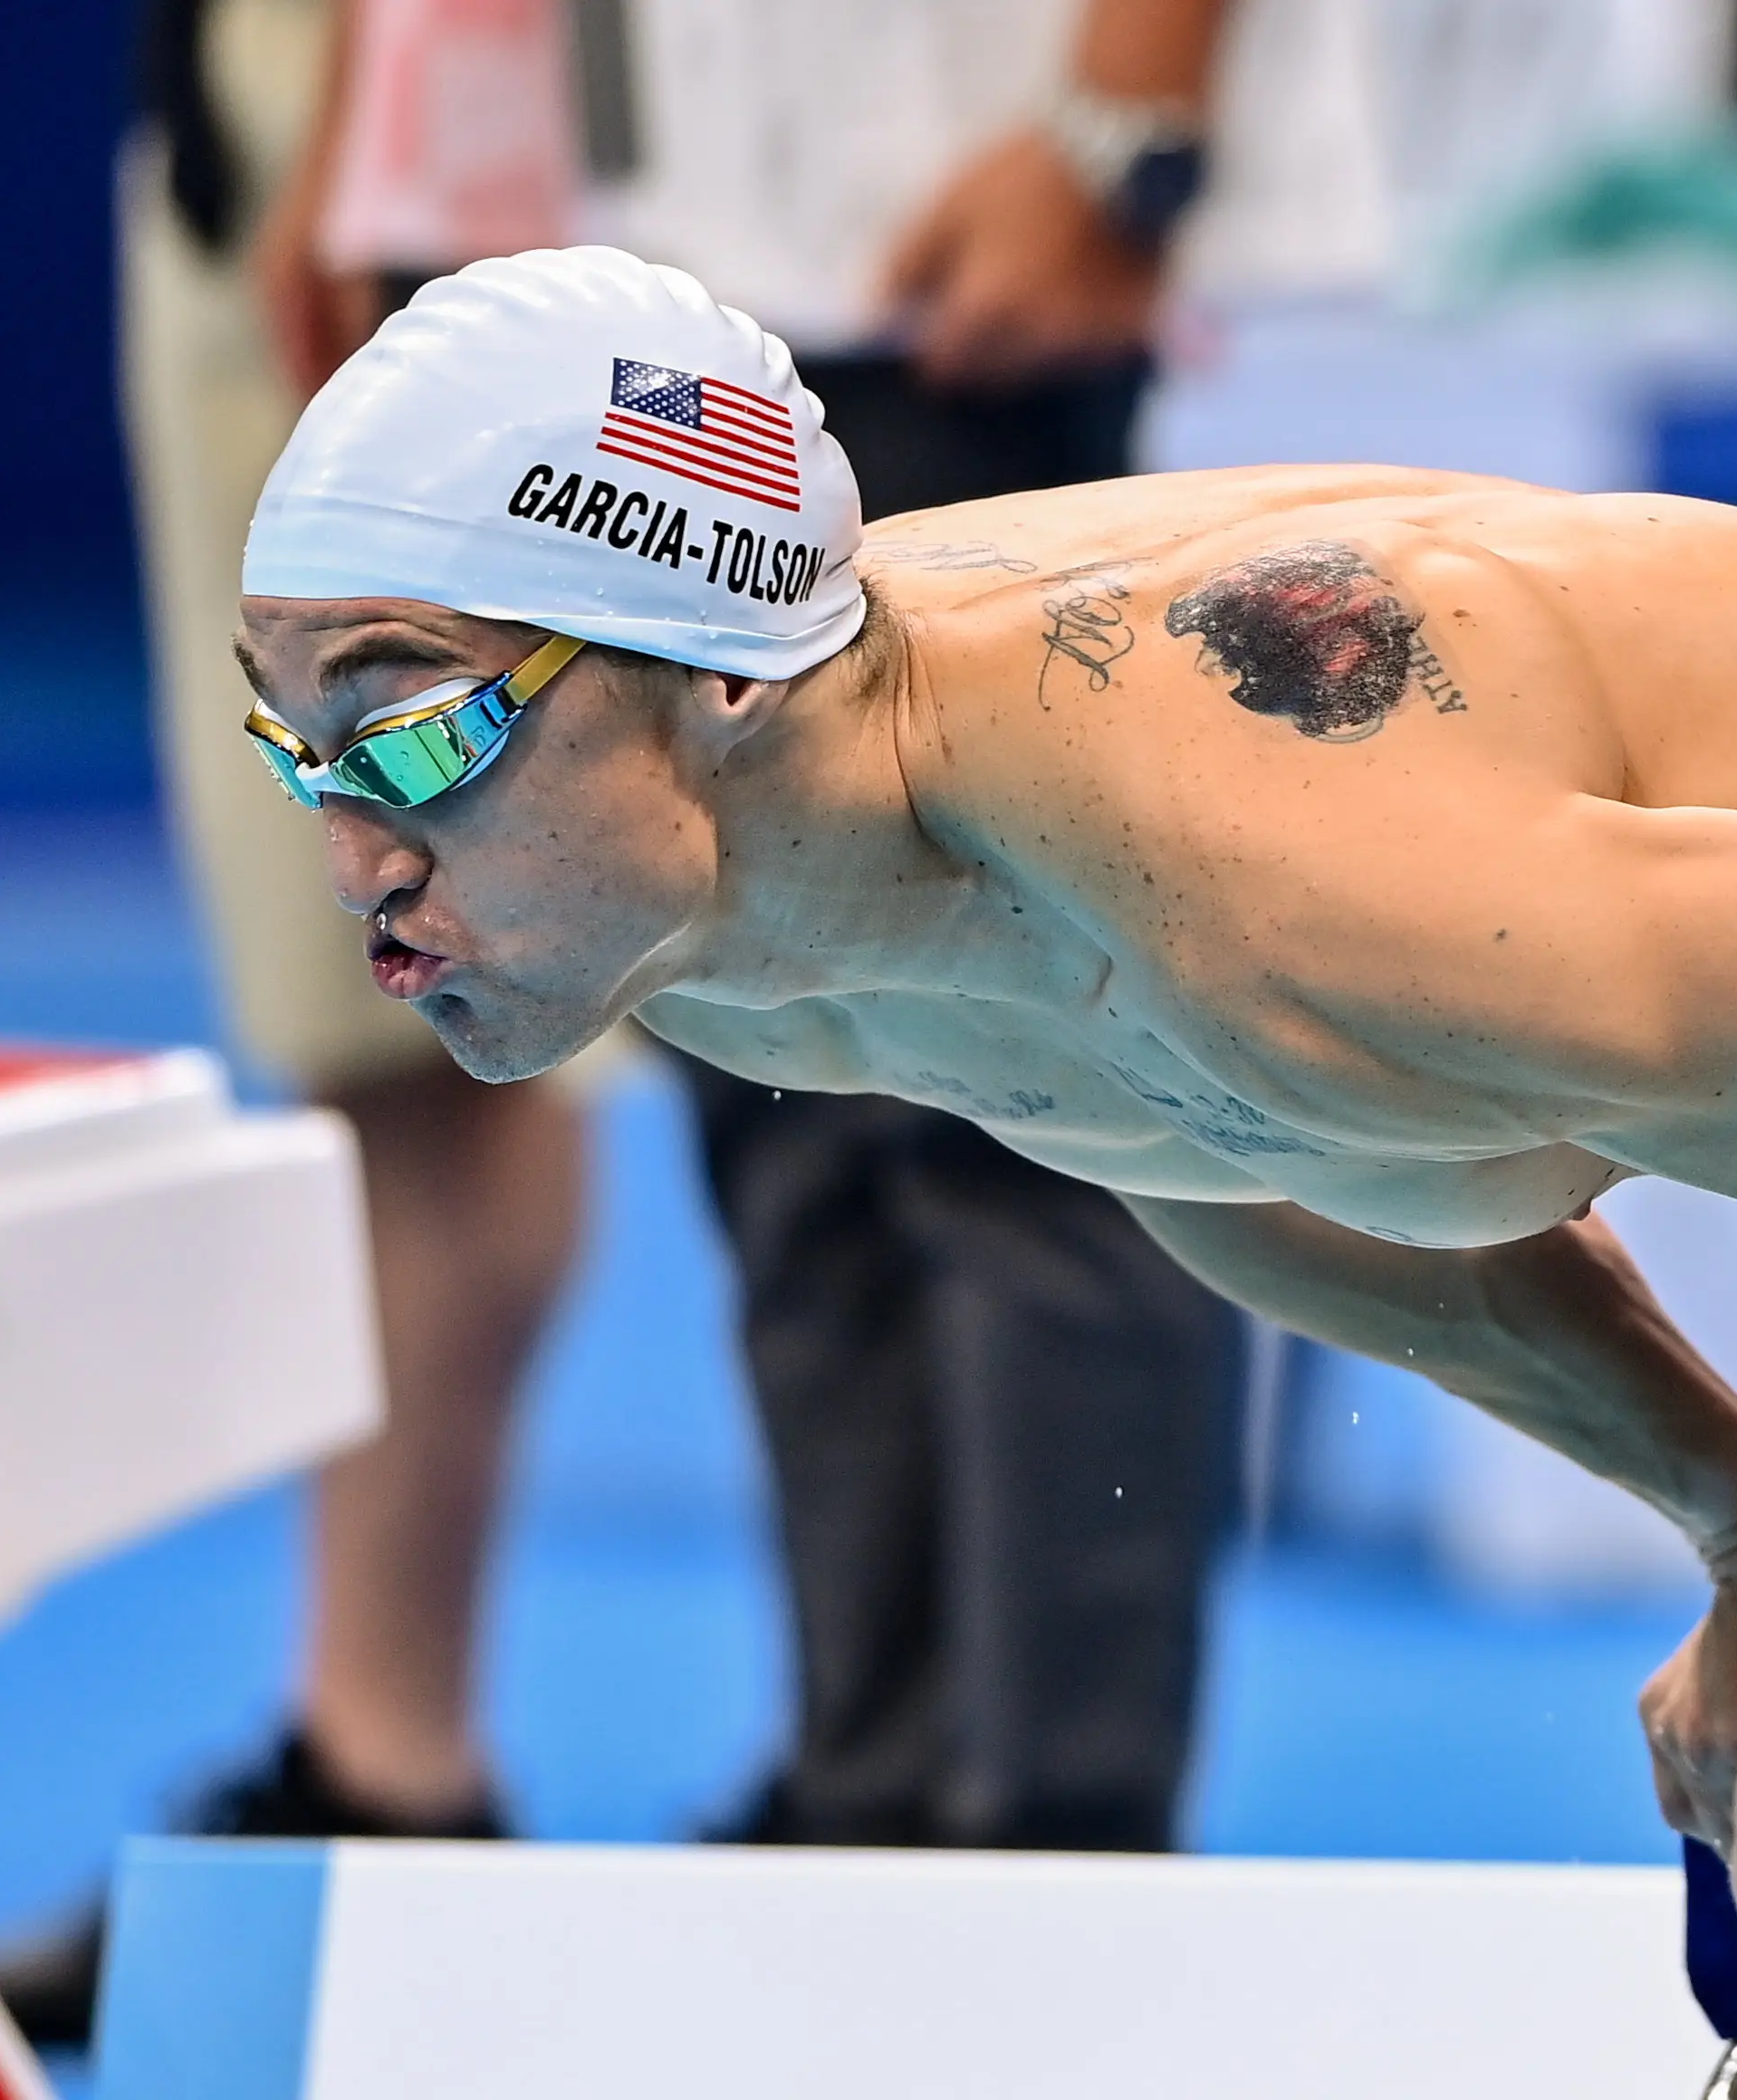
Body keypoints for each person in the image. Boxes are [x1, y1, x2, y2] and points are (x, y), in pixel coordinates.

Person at [231, 247, 1737, 2050]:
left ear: (714, 677)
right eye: (293, 743)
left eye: (412, 732)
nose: (353, 851)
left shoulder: (1275, 839)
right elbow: (1228, 1148)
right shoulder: (746, 915)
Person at [601, 0, 1252, 1854]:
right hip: (648, 296)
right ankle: (871, 1799)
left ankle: (1059, 1832)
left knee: (1041, 1081)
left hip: (928, 266)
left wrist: (1127, 126)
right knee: (776, 1080)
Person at [0, 0, 581, 2046]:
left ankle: (399, 1750)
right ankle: (379, 1740)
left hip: (380, 115)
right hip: (258, 120)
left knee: (447, 989)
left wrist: (388, 132)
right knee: (367, 1019)